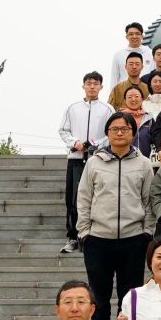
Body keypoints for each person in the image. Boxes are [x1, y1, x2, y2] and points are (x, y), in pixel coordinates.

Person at [74, 113, 159, 320]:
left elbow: (149, 200)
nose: (119, 133)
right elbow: (83, 198)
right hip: (98, 239)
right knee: (99, 298)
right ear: (107, 133)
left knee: (129, 298)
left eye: (125, 129)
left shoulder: (144, 164)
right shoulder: (94, 163)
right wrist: (84, 232)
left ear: (133, 133)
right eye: (114, 129)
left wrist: (147, 232)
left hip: (133, 239)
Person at [58, 72, 110, 254]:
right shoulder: (72, 108)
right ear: (83, 86)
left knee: (97, 197)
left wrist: (94, 144)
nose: (92, 86)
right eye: (89, 83)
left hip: (99, 159)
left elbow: (110, 133)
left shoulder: (107, 109)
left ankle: (93, 236)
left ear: (101, 86)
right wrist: (75, 143)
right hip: (76, 159)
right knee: (73, 199)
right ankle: (73, 237)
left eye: (96, 83)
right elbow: (63, 130)